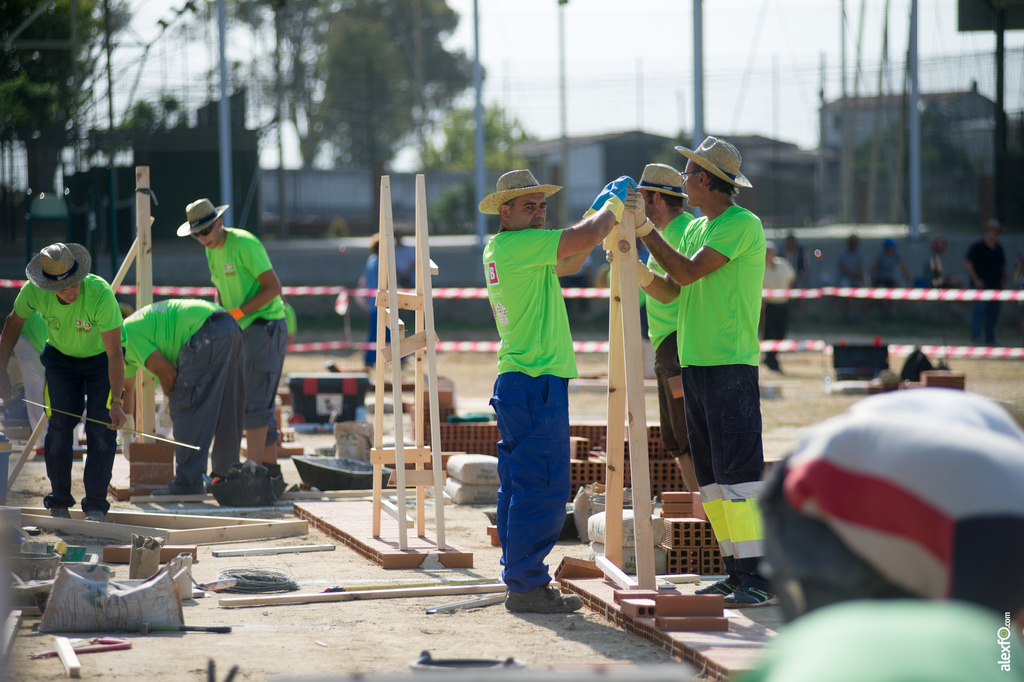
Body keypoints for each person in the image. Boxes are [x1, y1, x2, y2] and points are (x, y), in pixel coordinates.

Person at [634, 136, 773, 607]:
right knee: (713, 478)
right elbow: (673, 291)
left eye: (690, 172)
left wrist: (645, 233)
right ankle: (737, 571)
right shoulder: (697, 229)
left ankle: (760, 577)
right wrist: (635, 270)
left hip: (730, 365)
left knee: (740, 475)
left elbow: (689, 274)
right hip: (697, 364)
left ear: (709, 181)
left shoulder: (739, 224)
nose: (684, 179)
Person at [758, 388, 1024, 627]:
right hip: (809, 496)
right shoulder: (1004, 548)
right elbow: (990, 649)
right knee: (844, 650)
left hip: (852, 449)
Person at [480, 169, 622, 614]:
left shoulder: (504, 247)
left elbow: (573, 258)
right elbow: (590, 235)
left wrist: (595, 214)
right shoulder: (522, 245)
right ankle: (526, 584)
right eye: (528, 206)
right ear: (505, 211)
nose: (539, 212)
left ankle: (518, 575)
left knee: (520, 485)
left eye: (541, 205)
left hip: (521, 379)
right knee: (542, 485)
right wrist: (613, 204)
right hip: (536, 380)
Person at [0, 243, 126, 521]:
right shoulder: (33, 292)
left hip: (101, 358)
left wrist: (116, 401)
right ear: (46, 285)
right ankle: (59, 501)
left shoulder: (100, 294)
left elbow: (115, 353)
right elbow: (12, 323)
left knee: (101, 429)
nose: (71, 292)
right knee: (58, 426)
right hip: (60, 359)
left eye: (74, 284)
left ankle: (95, 506)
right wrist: (1, 369)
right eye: (63, 287)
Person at [178, 199, 288, 489]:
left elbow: (274, 288)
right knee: (255, 400)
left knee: (254, 402)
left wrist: (236, 314)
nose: (201, 239)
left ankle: (252, 477)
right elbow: (220, 289)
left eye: (204, 232)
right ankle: (271, 473)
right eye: (196, 235)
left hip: (265, 327)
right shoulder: (213, 249)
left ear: (218, 223)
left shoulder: (244, 244)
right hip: (243, 330)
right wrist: (221, 316)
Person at [121, 299, 245, 495]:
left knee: (185, 404)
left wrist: (171, 405)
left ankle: (188, 483)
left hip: (206, 331)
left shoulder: (127, 336)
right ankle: (225, 477)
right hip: (228, 325)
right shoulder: (127, 340)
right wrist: (126, 435)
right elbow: (127, 388)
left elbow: (168, 372)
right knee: (227, 406)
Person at [635, 163, 698, 492]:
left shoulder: (686, 232)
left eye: (642, 198)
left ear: (655, 198)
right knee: (675, 439)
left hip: (679, 344)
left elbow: (673, 288)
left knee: (687, 435)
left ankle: (708, 515)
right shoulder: (662, 236)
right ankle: (702, 510)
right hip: (666, 347)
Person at [964, 218, 1006, 345]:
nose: (996, 234)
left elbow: (1003, 265)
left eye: (998, 232)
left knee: (993, 313)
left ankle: (990, 337)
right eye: (994, 231)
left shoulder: (999, 248)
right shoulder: (977, 247)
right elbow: (967, 263)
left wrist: (1004, 279)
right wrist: (976, 280)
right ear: (987, 231)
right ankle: (976, 337)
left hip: (996, 286)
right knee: (979, 311)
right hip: (981, 287)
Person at [10, 312, 48, 438]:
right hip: (26, 334)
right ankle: (42, 440)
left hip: (40, 334)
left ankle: (63, 440)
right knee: (37, 386)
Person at [760, 241, 795, 373]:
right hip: (769, 305)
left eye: (770, 252)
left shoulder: (783, 264)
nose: (769, 254)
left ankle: (772, 358)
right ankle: (771, 360)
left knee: (781, 332)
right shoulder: (760, 267)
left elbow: (791, 277)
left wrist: (788, 292)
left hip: (783, 304)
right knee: (769, 333)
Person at [835, 234, 864, 322]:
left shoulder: (858, 254)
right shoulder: (843, 254)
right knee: (846, 290)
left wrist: (859, 279)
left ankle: (863, 316)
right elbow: (846, 270)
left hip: (855, 278)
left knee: (866, 290)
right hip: (845, 278)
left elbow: (860, 268)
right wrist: (857, 276)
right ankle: (849, 315)